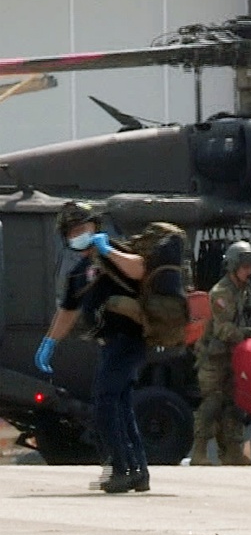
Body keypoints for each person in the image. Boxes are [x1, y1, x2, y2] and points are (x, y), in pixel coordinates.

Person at [34, 201, 150, 493]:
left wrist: (108, 250)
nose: (78, 233)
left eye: (82, 227)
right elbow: (67, 311)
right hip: (110, 345)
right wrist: (49, 342)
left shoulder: (115, 252)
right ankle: (137, 471)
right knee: (120, 403)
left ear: (95, 227)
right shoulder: (79, 273)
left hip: (130, 340)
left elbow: (140, 270)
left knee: (105, 400)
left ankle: (119, 468)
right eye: (72, 231)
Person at [191, 240, 251, 466]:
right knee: (212, 402)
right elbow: (224, 330)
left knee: (234, 403)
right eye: (244, 266)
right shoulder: (221, 293)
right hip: (214, 358)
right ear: (233, 266)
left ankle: (232, 451)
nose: (248, 271)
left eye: (250, 266)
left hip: (234, 356)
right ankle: (199, 451)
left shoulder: (246, 292)